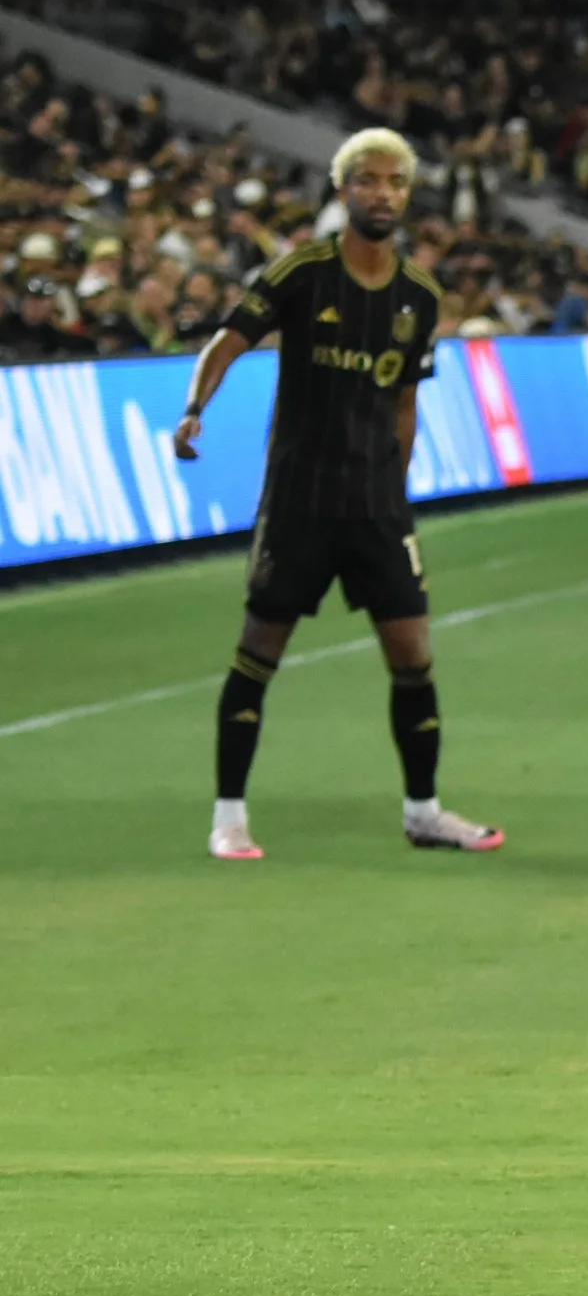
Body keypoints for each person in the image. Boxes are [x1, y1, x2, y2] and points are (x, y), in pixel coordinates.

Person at [174, 128, 502, 861]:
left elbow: (405, 402)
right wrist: (195, 408)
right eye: (368, 180)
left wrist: (397, 487)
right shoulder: (301, 273)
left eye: (395, 182)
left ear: (407, 195)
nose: (382, 193)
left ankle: (424, 812)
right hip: (301, 499)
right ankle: (229, 817)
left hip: (376, 506)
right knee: (259, 649)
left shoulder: (420, 295)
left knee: (413, 654)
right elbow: (229, 339)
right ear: (342, 189)